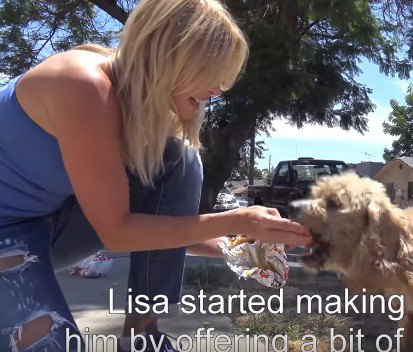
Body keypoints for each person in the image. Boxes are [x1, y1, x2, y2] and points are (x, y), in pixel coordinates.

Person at [0, 0, 310, 351]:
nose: (218, 89)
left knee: (179, 157)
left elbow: (154, 227)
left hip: (50, 224)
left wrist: (240, 246)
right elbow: (116, 232)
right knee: (54, 343)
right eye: (211, 72)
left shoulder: (134, 109)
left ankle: (141, 335)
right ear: (171, 55)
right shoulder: (82, 84)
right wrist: (235, 219)